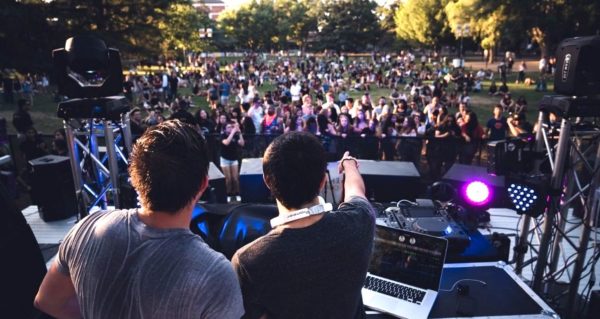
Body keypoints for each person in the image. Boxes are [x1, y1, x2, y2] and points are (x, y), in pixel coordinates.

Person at [35, 120, 244, 319]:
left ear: (134, 177)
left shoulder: (86, 228)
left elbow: (48, 300)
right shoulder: (215, 274)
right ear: (202, 185)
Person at [232, 132, 375, 319]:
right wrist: (349, 164)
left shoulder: (247, 261)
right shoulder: (360, 221)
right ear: (323, 180)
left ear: (267, 180)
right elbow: (356, 190)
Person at [221, 121, 245, 202]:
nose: (230, 128)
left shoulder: (235, 135)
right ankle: (229, 194)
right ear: (225, 129)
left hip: (234, 159)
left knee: (235, 178)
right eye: (228, 127)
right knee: (228, 179)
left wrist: (240, 133)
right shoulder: (223, 135)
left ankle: (237, 193)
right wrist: (233, 132)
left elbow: (242, 144)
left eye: (231, 127)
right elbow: (226, 143)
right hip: (225, 159)